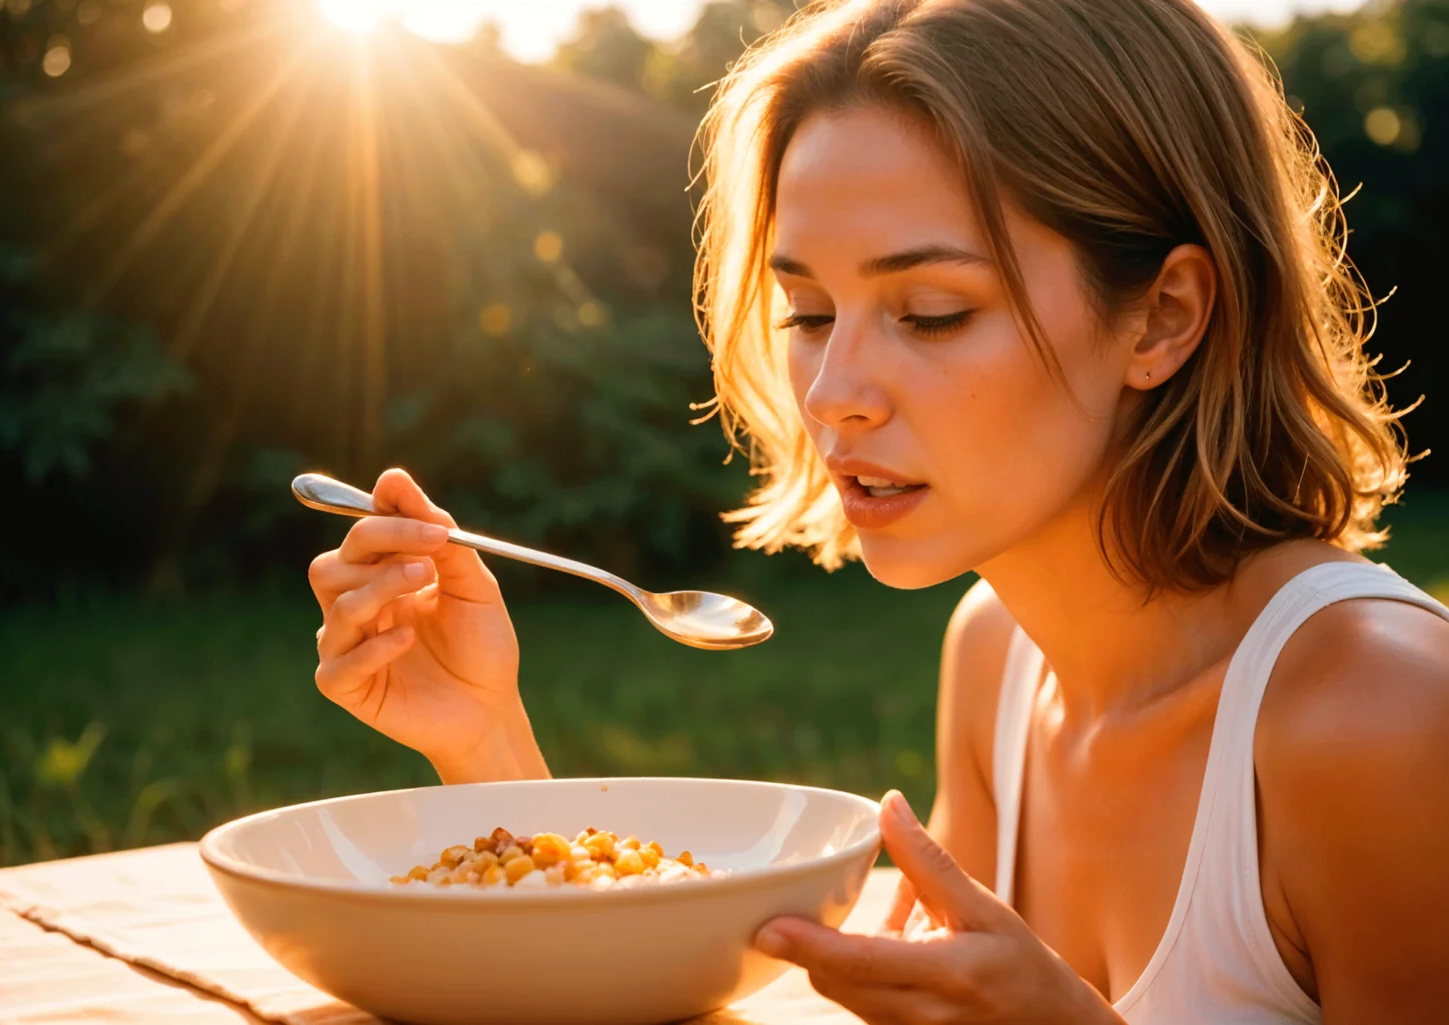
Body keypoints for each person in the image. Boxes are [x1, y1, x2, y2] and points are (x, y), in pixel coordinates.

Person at [305, 0, 1449, 1020]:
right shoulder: (998, 660)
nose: (835, 394)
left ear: (1162, 316)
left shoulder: (1379, 714)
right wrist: (485, 738)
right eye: (808, 311)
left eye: (933, 311)